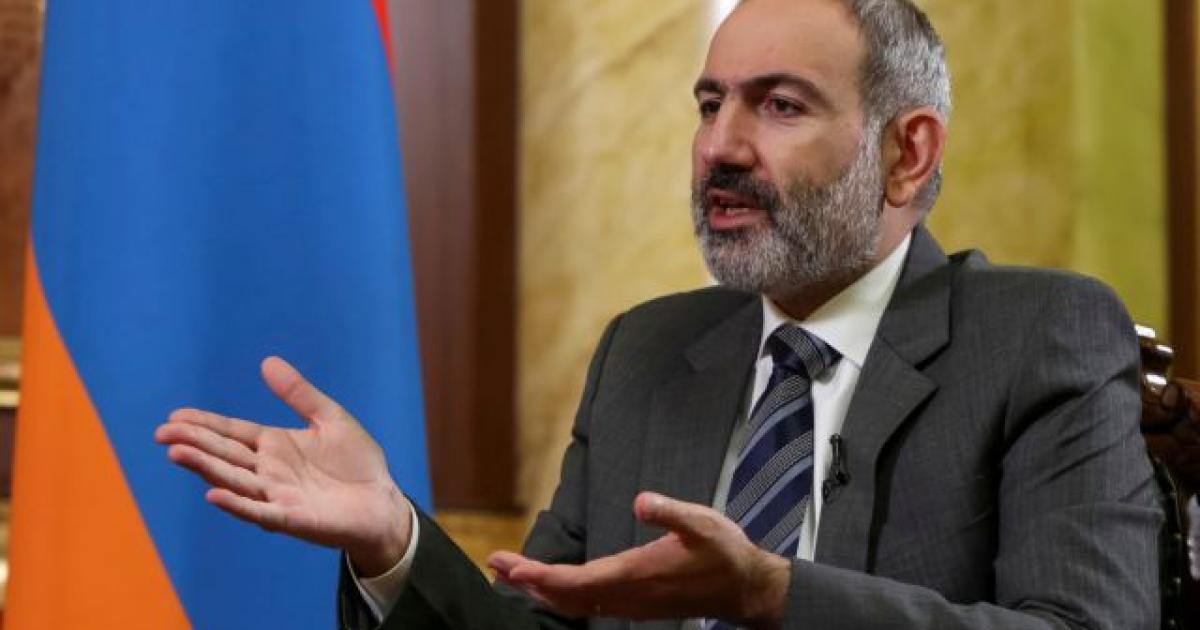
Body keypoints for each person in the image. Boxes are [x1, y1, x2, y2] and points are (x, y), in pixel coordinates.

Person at [156, 0, 1162, 628]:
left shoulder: (1038, 338)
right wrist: (395, 542)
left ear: (908, 153)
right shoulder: (647, 353)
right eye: (709, 103)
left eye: (779, 105)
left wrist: (771, 595)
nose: (720, 146)